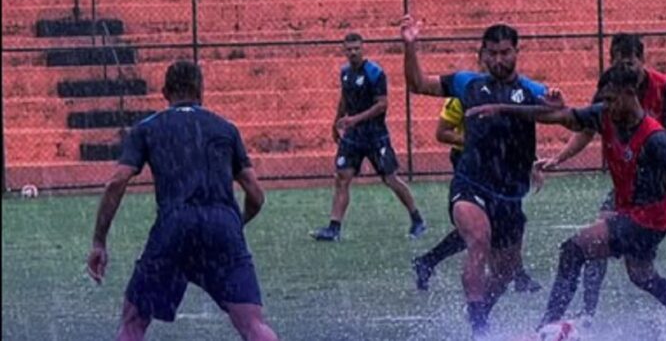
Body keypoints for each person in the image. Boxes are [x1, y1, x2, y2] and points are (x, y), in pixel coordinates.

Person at [467, 65, 666, 341]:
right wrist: (502, 108)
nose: (605, 106)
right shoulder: (605, 115)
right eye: (603, 100)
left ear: (630, 94)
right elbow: (560, 115)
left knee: (573, 250)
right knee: (643, 277)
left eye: (611, 99)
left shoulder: (656, 139)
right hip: (635, 216)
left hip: (647, 220)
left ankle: (545, 329)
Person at [536, 34, 666, 320]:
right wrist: (560, 157)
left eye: (631, 62)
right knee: (600, 236)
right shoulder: (611, 90)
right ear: (612, 62)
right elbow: (586, 128)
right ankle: (588, 314)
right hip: (635, 182)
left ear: (642, 61)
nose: (627, 67)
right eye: (620, 61)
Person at [86, 61, 279, 341]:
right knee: (252, 324)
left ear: (165, 92)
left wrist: (99, 242)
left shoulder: (147, 129)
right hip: (222, 226)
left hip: (174, 227)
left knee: (133, 323)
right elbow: (256, 195)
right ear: (201, 90)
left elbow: (117, 181)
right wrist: (233, 224)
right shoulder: (225, 128)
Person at [402, 15, 555, 336]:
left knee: (505, 271)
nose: (499, 59)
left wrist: (557, 106)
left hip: (510, 193)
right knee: (478, 239)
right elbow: (418, 84)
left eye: (505, 52)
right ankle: (479, 328)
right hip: (471, 183)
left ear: (516, 52)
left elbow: (563, 115)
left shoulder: (531, 90)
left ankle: (480, 312)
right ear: (483, 55)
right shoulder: (467, 83)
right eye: (492, 53)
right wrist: (411, 46)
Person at [412, 49, 542, 294]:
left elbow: (513, 134)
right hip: (471, 165)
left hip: (502, 168)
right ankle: (516, 274)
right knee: (479, 228)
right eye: (490, 59)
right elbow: (442, 133)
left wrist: (531, 161)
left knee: (500, 221)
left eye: (503, 57)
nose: (497, 64)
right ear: (481, 62)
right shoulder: (464, 94)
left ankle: (429, 261)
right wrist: (474, 139)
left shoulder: (510, 94)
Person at [311, 33, 426, 241]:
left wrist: (355, 119)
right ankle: (334, 228)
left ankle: (417, 219)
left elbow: (382, 104)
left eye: (356, 48)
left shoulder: (375, 73)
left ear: (363, 49)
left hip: (375, 136)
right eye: (349, 49)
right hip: (353, 136)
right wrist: (335, 122)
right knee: (341, 178)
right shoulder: (345, 73)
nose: (353, 52)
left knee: (390, 179)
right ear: (344, 50)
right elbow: (345, 98)